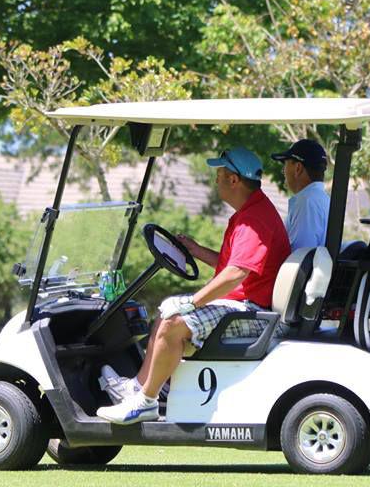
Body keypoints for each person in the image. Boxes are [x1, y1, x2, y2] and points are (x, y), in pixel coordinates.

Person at [96, 147, 290, 425]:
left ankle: (146, 404)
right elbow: (231, 264)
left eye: (220, 174)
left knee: (174, 322)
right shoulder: (251, 211)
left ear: (234, 180)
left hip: (252, 311)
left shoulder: (254, 219)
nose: (216, 181)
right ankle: (141, 388)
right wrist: (196, 250)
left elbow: (236, 273)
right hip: (245, 303)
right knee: (165, 316)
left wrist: (193, 302)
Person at [271, 139, 329, 251]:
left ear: (298, 168)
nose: (283, 171)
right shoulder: (323, 199)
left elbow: (298, 259)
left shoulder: (306, 203)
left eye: (285, 165)